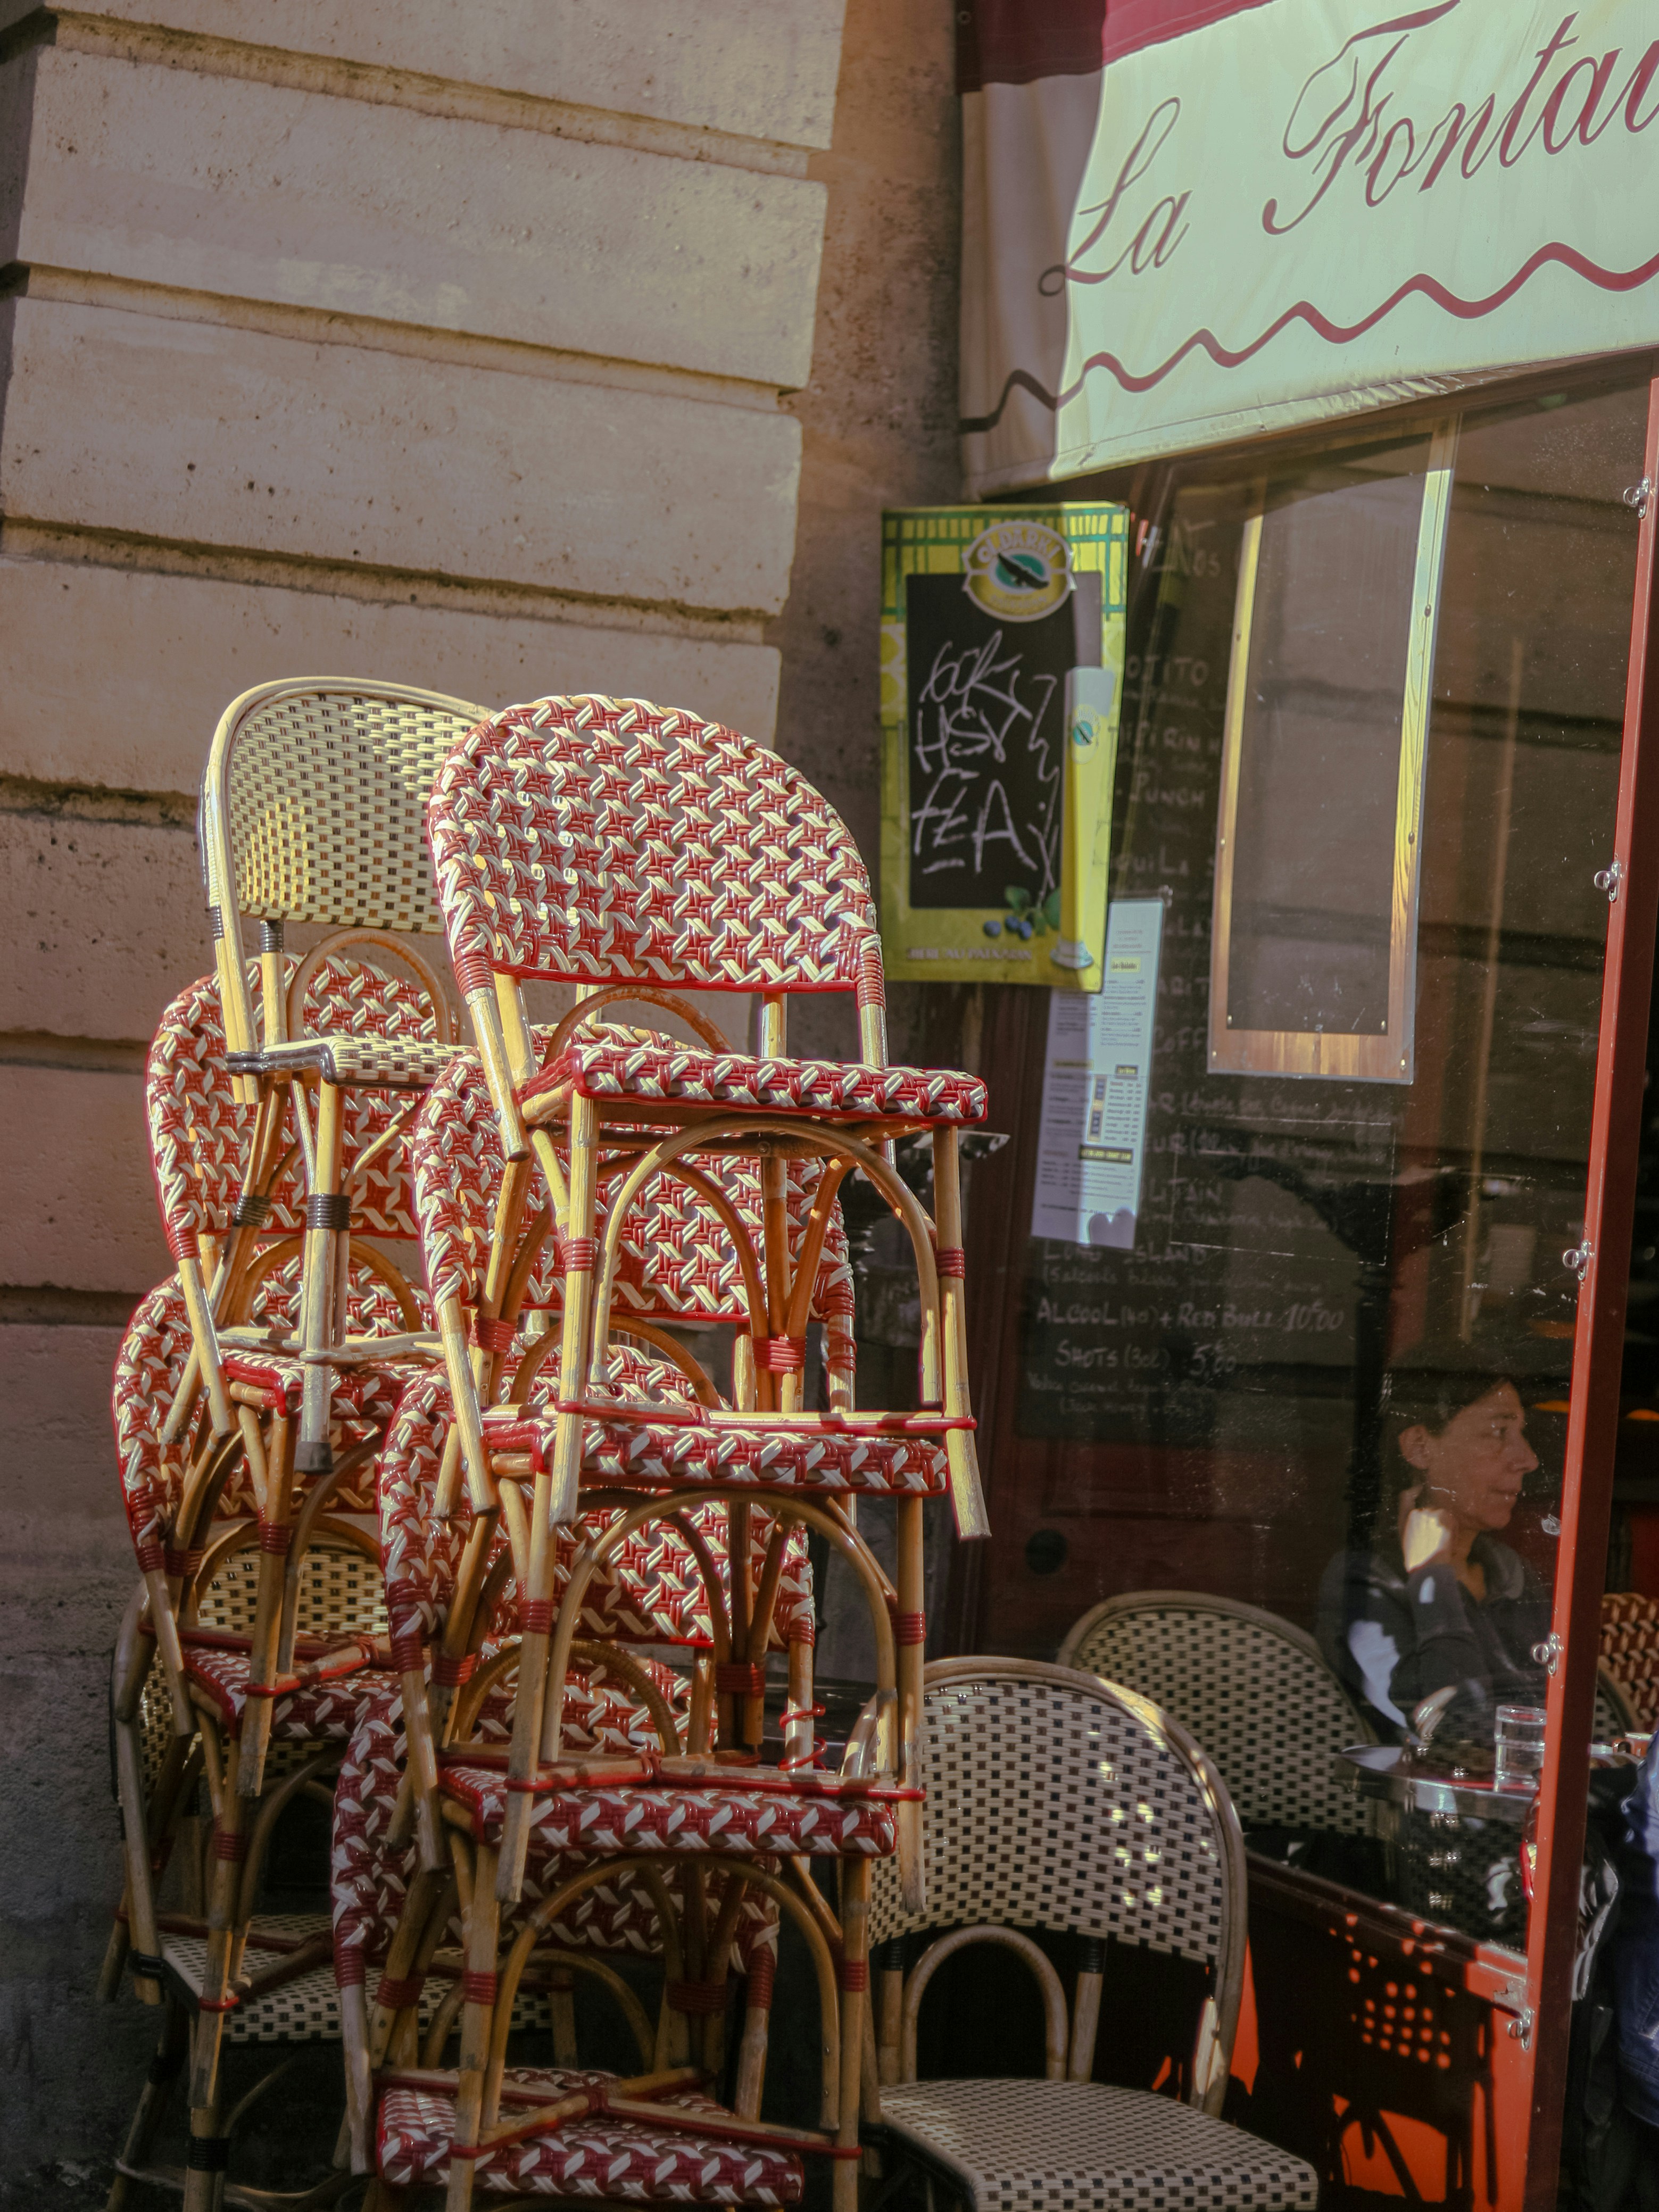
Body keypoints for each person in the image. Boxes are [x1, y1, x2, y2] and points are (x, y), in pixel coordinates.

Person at [1317, 1369, 1551, 1745]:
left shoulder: (1513, 1575)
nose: (1527, 1459)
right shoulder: (1364, 1582)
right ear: (1420, 1447)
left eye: (1520, 1434)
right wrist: (1433, 1577)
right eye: (1497, 1432)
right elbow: (1457, 1731)